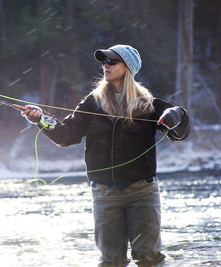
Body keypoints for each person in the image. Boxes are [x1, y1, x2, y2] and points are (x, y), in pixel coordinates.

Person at [20, 44, 190, 266]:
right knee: (111, 261)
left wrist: (174, 115)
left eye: (112, 61)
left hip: (143, 191)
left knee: (149, 258)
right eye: (104, 62)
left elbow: (181, 130)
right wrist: (40, 119)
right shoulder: (92, 102)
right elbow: (66, 135)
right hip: (104, 194)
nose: (106, 66)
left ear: (128, 67)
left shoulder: (148, 104)